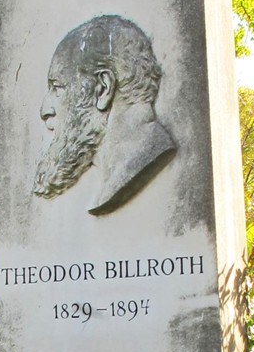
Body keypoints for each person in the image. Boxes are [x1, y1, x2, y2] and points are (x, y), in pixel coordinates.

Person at [33, 15, 177, 215]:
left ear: (103, 88)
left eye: (57, 88)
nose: (45, 110)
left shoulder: (140, 163)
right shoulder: (113, 178)